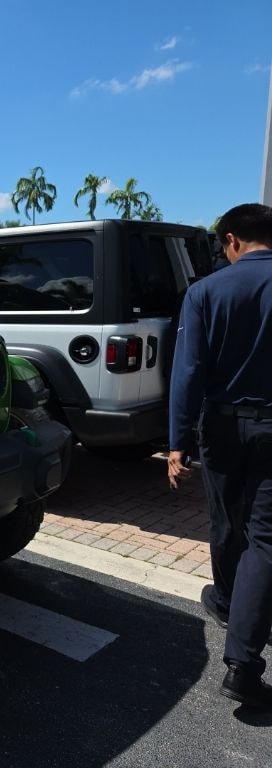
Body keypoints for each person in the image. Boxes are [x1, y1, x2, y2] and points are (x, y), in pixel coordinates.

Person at [168, 202, 272, 709]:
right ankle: (244, 661)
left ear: (231, 240)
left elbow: (188, 373)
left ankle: (231, 602)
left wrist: (176, 442)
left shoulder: (204, 292)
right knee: (265, 537)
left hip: (224, 426)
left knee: (227, 524)